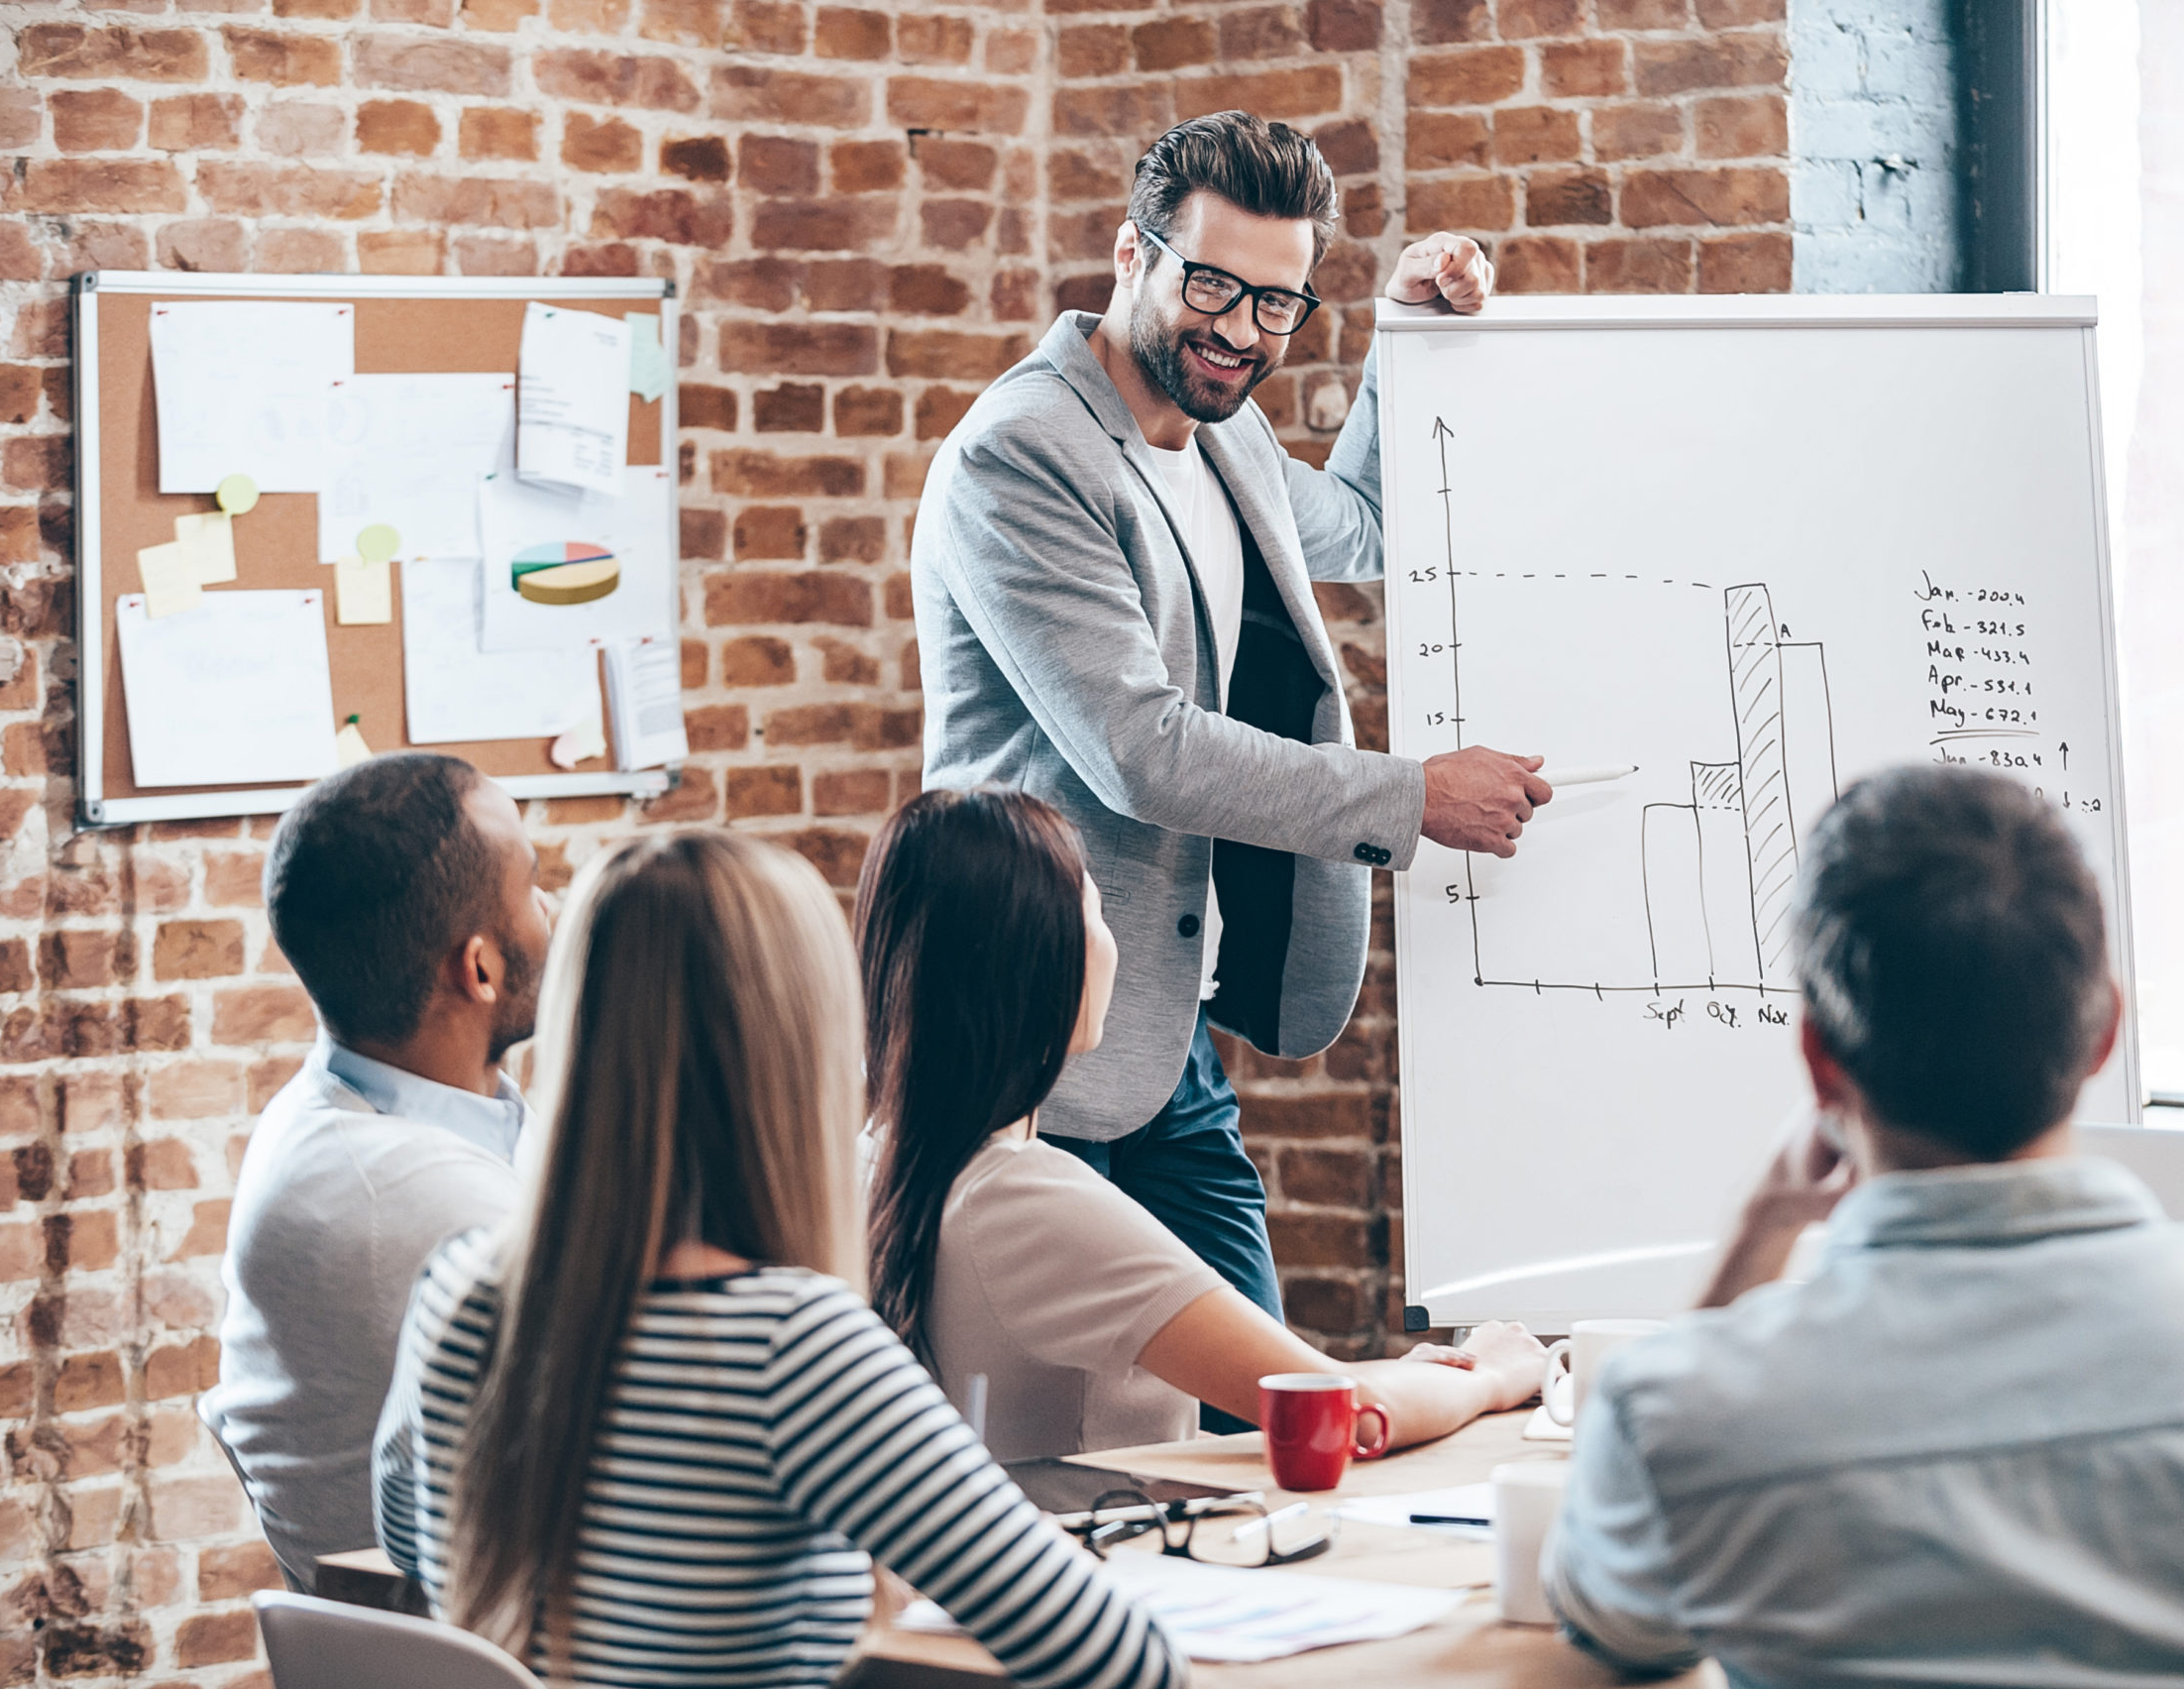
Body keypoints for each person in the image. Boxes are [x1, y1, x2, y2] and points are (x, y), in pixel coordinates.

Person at [1544, 765, 2184, 1688]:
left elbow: (1616, 1621)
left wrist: (1755, 1234)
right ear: (2102, 1033)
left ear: (1820, 1063)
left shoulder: (1683, 1409)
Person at [911, 110, 1553, 1341]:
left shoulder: (1225, 429)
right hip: (1026, 1046)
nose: (1239, 331)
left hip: (1164, 1036)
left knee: (1252, 1427)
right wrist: (1410, 799)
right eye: (1210, 283)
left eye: (1276, 304)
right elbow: (1138, 747)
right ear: (1129, 254)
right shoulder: (1022, 455)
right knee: (1072, 1443)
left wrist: (1408, 334)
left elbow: (1363, 525)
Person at [373, 831, 1185, 1689]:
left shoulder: (459, 1286)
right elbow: (1123, 1661)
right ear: (800, 1040)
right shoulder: (792, 1346)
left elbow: (410, 1536)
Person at [856, 787, 1545, 1462]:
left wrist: (1414, 1379)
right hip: (1114, 1553)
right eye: (1099, 912)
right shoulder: (1027, 1199)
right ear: (1041, 956)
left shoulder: (872, 1160)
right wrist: (1488, 1372)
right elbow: (1340, 1412)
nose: (1114, 946)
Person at [203, 753, 552, 1591]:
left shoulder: (332, 1113)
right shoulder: (426, 1202)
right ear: (480, 968)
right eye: (535, 885)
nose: (554, 908)